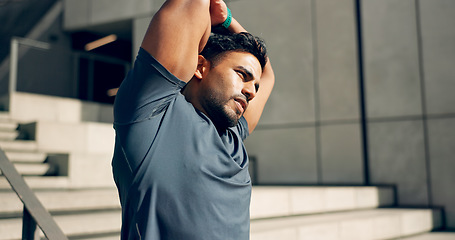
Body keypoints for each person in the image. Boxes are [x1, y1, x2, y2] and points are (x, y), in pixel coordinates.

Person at [111, 0, 275, 239]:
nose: (251, 91)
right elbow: (191, 6)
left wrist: (228, 21)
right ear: (200, 66)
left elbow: (268, 75)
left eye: (254, 86)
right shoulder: (153, 114)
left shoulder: (233, 136)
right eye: (242, 75)